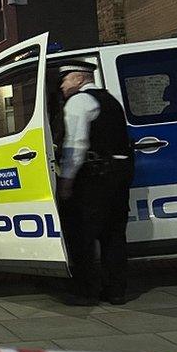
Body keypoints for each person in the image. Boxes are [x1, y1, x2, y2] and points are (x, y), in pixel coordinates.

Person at [57, 61, 134, 305]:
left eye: (66, 79)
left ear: (79, 79)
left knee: (82, 235)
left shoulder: (79, 102)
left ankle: (85, 291)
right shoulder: (110, 100)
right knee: (114, 235)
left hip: (92, 178)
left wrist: (67, 181)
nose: (62, 85)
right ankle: (116, 291)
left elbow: (75, 146)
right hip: (118, 175)